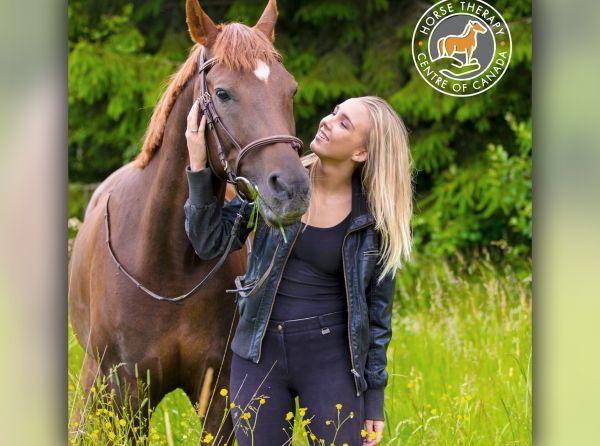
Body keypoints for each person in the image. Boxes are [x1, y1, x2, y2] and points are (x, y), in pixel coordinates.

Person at [184, 96, 413, 445]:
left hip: (330, 360)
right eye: (334, 112)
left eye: (344, 123)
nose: (327, 120)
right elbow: (209, 244)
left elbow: (378, 317)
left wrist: (374, 401)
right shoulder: (274, 184)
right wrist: (199, 167)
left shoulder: (373, 221)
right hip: (258, 353)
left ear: (361, 153)